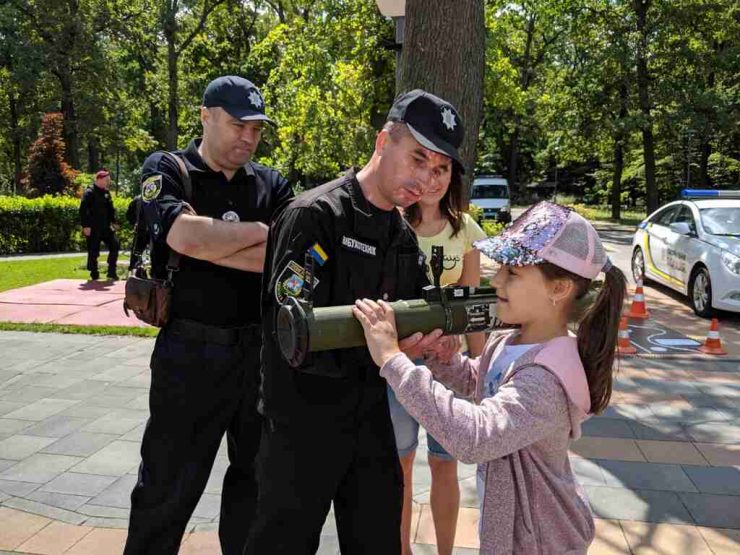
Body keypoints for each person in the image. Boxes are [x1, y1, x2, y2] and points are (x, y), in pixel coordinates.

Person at [246, 90, 465, 554]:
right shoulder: (315, 216)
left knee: (378, 541)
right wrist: (385, 346)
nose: (425, 180)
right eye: (417, 159)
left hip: (369, 416)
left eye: (437, 168)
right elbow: (290, 334)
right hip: (300, 423)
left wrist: (433, 340)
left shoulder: (400, 234)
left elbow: (417, 311)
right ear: (384, 141)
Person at [353, 201, 627, 553]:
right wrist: (443, 360)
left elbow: (476, 437)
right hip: (514, 528)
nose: (495, 279)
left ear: (558, 289)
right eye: (500, 268)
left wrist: (392, 360)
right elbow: (481, 385)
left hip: (541, 539)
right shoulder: (510, 339)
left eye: (512, 273)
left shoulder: (547, 380)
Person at [124, 76, 292, 555]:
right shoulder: (169, 169)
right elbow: (183, 238)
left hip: (258, 354)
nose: (248, 137)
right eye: (239, 124)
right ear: (206, 116)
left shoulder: (272, 183)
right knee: (166, 484)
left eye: (257, 129)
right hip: (189, 353)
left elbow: (287, 259)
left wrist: (209, 243)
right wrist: (262, 232)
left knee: (256, 487)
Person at [391, 169, 487, 554]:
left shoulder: (465, 229)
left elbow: (473, 307)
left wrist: (481, 369)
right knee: (401, 465)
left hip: (450, 367)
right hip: (400, 367)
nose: (432, 180)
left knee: (445, 464)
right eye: (424, 169)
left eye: (442, 172)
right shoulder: (391, 223)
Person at [79, 169, 119, 280]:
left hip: (106, 227)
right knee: (93, 251)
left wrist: (114, 222)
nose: (108, 182)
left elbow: (111, 209)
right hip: (93, 227)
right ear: (99, 179)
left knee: (115, 245)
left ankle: (111, 271)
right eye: (106, 180)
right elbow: (83, 209)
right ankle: (94, 272)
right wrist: (86, 226)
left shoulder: (106, 193)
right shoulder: (89, 192)